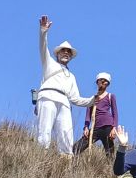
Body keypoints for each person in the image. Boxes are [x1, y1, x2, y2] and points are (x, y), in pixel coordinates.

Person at [36, 15, 96, 156]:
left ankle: (65, 161)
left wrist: (93, 100)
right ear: (58, 53)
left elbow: (75, 99)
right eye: (63, 50)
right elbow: (43, 47)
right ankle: (40, 157)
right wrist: (43, 31)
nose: (66, 53)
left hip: (64, 102)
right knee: (44, 130)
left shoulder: (71, 76)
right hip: (48, 96)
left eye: (68, 52)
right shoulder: (49, 63)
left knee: (66, 133)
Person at [81, 73, 118, 158]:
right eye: (101, 80)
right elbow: (88, 114)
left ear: (108, 84)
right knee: (78, 147)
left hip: (107, 126)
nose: (103, 83)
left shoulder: (110, 96)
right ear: (97, 82)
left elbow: (115, 113)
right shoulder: (92, 99)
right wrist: (86, 127)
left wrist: (114, 128)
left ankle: (111, 166)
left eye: (105, 81)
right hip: (95, 128)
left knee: (110, 153)